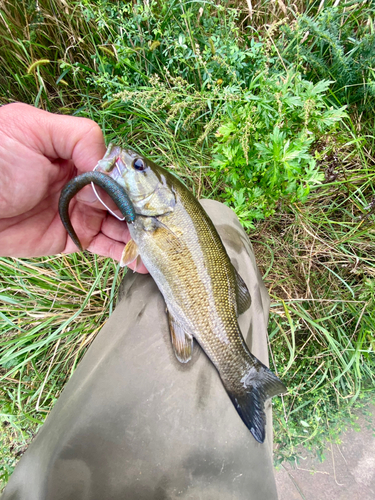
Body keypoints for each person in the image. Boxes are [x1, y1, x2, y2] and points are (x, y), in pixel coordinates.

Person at [0, 103, 279, 499]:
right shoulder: (149, 217)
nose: (128, 162)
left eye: (138, 168)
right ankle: (244, 373)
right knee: (220, 217)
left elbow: (139, 250)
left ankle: (245, 374)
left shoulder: (150, 219)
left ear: (163, 197)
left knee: (207, 229)